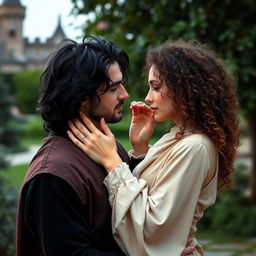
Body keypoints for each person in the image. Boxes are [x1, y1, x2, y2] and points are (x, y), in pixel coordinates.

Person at [16, 36, 194, 256]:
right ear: (82, 96)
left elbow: (136, 211)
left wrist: (138, 152)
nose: (125, 94)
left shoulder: (108, 148)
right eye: (113, 88)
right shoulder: (52, 174)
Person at [67, 39, 240, 256]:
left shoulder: (195, 147)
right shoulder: (179, 136)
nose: (148, 97)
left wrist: (112, 162)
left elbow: (152, 230)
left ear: (184, 89)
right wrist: (140, 150)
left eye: (156, 87)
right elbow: (152, 195)